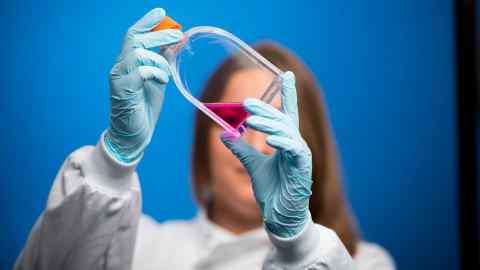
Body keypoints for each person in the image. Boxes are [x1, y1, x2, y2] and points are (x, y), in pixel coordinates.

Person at [14, 8, 395, 270]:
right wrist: (113, 161)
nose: (258, 145)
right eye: (238, 120)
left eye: (275, 126)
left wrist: (298, 241)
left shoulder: (365, 262)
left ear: (309, 149)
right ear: (202, 141)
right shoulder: (142, 246)